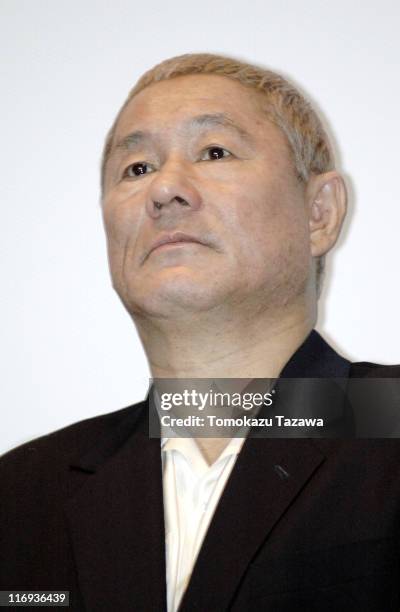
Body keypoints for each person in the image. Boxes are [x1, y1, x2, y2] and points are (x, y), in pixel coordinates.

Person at [0, 53, 399, 612]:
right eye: (136, 168)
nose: (164, 190)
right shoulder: (20, 495)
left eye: (215, 152)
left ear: (319, 213)